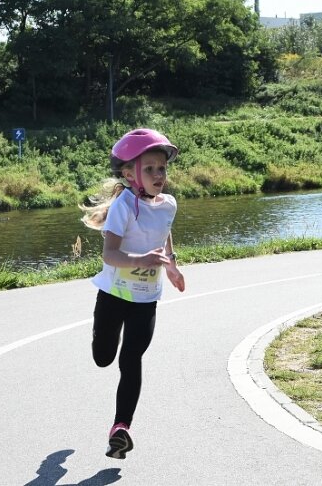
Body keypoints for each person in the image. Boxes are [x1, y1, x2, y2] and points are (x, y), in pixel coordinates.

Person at [80, 128, 186, 459]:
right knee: (104, 358)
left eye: (162, 168)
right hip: (113, 296)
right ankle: (100, 339)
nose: (159, 175)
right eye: (150, 168)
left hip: (145, 299)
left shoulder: (168, 205)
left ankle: (120, 429)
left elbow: (163, 234)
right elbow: (110, 254)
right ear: (129, 174)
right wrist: (140, 259)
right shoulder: (122, 207)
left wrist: (171, 266)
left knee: (132, 359)